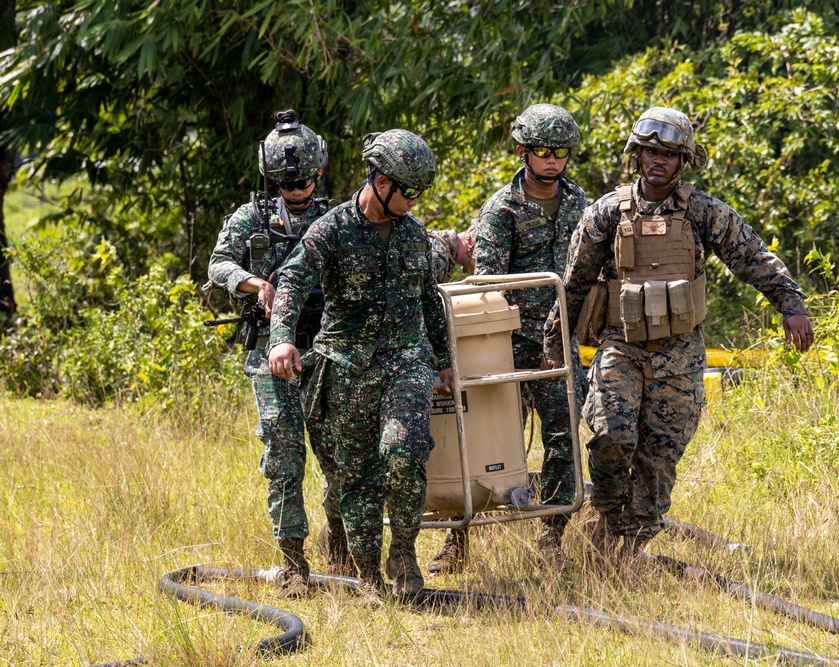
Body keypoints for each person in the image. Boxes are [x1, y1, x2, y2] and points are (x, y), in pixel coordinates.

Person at [542, 106, 814, 563]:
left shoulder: (704, 212)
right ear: (636, 155)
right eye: (649, 151)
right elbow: (574, 283)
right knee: (610, 436)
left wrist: (791, 304)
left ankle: (624, 550)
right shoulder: (607, 214)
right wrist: (554, 343)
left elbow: (753, 257)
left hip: (680, 354)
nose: (657, 161)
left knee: (658, 459)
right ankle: (607, 517)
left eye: (668, 154)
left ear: (683, 160)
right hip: (621, 347)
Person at [268, 129, 453, 601]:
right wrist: (282, 340)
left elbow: (428, 298)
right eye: (407, 191)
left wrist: (445, 362)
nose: (413, 201)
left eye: (419, 193)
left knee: (404, 451)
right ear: (380, 180)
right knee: (356, 477)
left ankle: (405, 554)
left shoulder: (414, 234)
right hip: (347, 364)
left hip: (407, 360)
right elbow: (290, 281)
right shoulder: (332, 229)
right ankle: (368, 576)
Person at [427, 103, 589, 574]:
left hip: (560, 341)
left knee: (564, 437)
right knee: (479, 442)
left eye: (561, 151)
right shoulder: (502, 209)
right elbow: (489, 284)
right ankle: (458, 544)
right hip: (507, 347)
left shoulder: (581, 204)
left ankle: (551, 536)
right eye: (542, 150)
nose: (552, 159)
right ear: (523, 151)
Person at [206, 109, 350, 598]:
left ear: (319, 173)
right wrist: (255, 283)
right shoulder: (252, 218)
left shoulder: (336, 219)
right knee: (285, 455)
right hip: (270, 356)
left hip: (327, 352)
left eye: (305, 179)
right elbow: (218, 264)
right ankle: (292, 562)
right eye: (287, 181)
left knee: (338, 453)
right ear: (272, 178)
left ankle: (342, 541)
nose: (297, 188)